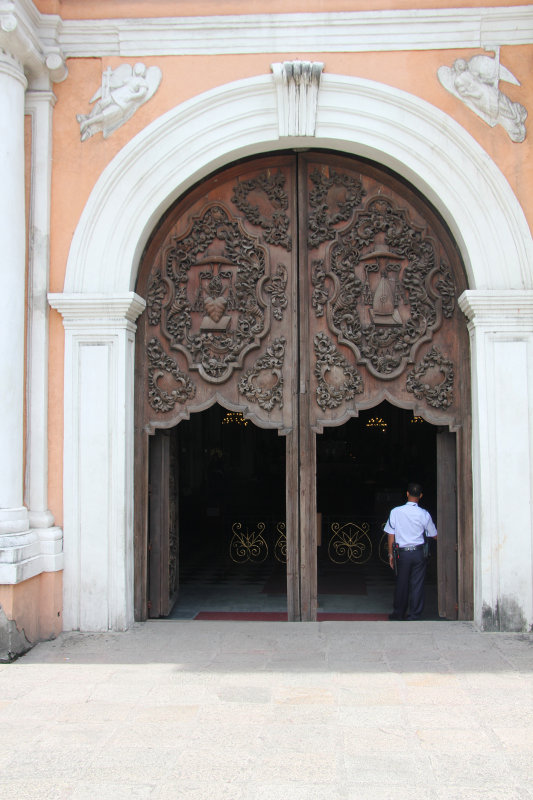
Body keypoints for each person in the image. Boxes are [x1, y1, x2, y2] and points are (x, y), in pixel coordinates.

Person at [385, 482, 437, 621]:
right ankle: (414, 615)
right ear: (420, 496)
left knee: (401, 583)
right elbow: (434, 534)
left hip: (402, 553)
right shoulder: (424, 514)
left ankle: (398, 613)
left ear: (407, 493)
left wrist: (390, 554)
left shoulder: (396, 512)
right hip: (419, 553)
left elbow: (391, 534)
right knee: (417, 584)